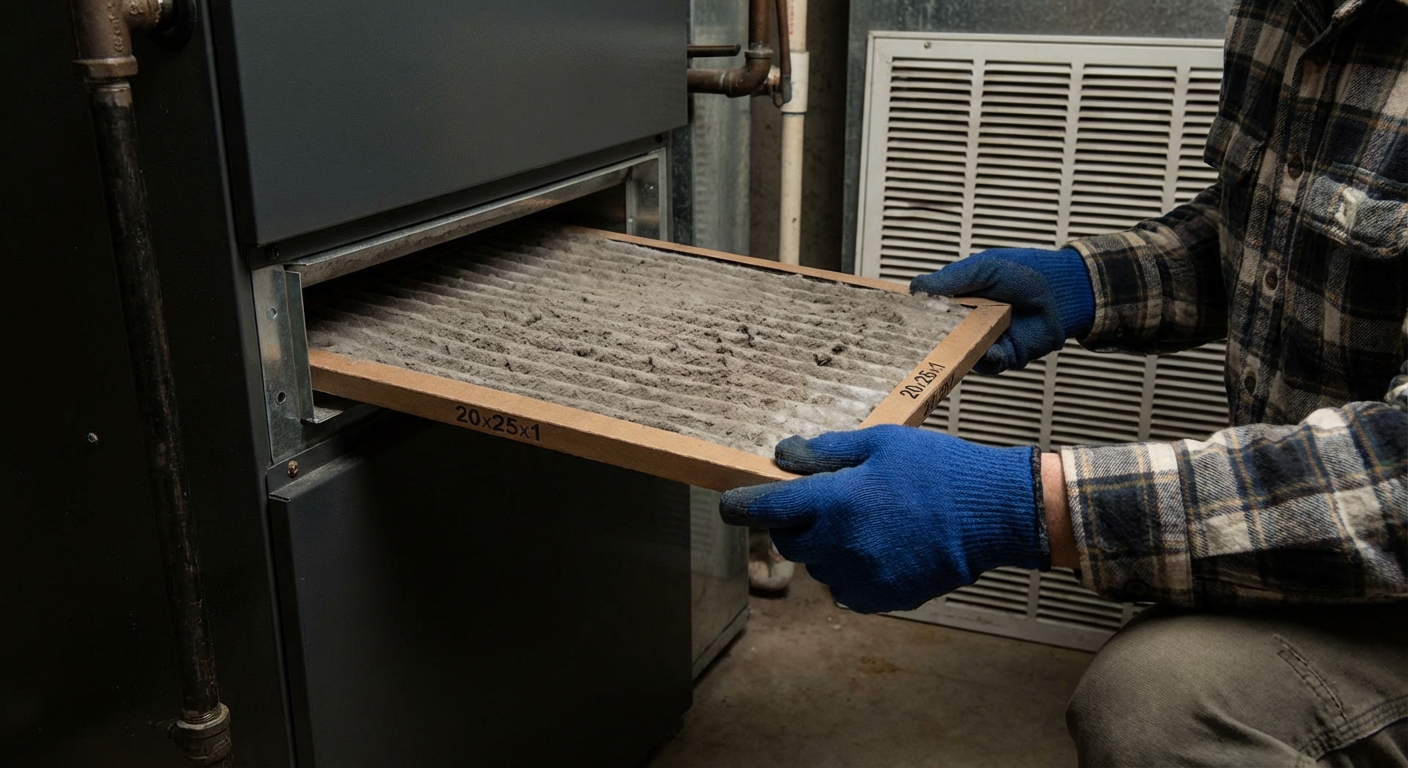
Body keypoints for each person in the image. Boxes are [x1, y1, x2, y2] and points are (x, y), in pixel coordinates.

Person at [719, 0, 1408, 763]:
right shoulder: (1288, 11)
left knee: (1159, 704)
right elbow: (1268, 234)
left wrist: (1028, 506)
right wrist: (1094, 282)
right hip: (1313, 528)